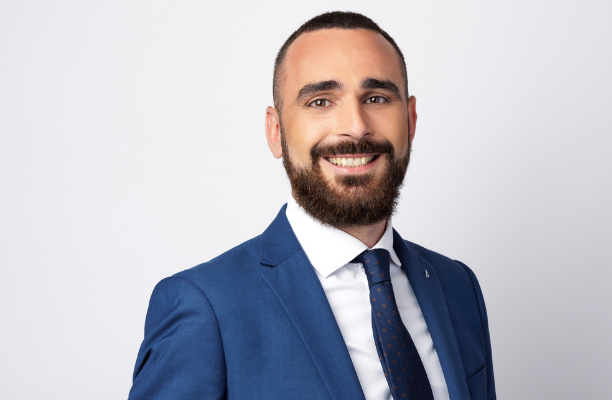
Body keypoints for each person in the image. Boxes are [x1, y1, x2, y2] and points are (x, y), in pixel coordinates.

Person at [129, 11, 496, 400]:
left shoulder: (458, 287)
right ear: (276, 132)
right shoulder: (205, 307)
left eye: (376, 98)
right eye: (321, 101)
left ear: (410, 119)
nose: (356, 126)